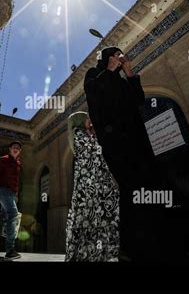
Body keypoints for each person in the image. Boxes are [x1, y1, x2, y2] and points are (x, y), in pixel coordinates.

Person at [84, 46, 167, 263]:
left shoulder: (121, 80)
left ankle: (157, 241)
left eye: (120, 56)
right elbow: (95, 97)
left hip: (137, 138)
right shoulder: (94, 75)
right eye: (115, 55)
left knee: (149, 183)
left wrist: (129, 72)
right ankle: (130, 247)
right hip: (115, 142)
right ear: (106, 58)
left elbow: (138, 99)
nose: (119, 58)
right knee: (130, 188)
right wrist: (110, 71)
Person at [65, 111, 120, 261]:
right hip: (92, 180)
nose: (90, 120)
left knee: (95, 214)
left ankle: (97, 251)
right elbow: (94, 152)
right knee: (98, 212)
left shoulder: (82, 133)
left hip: (92, 178)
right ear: (80, 120)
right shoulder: (79, 133)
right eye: (87, 118)